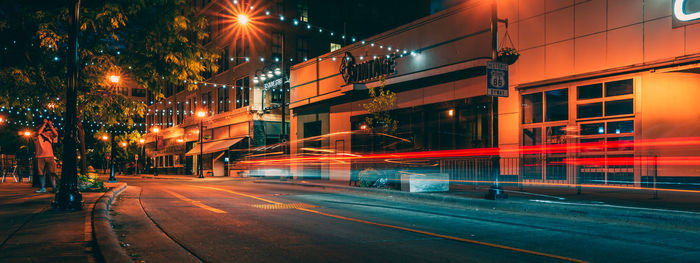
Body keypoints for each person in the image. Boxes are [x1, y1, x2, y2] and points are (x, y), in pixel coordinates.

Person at [34, 119, 58, 193]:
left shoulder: (48, 135)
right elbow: (38, 132)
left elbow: (56, 134)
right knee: (41, 173)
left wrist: (50, 125)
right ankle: (43, 188)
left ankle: (54, 187)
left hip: (49, 156)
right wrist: (44, 124)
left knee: (52, 173)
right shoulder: (35, 134)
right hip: (40, 156)